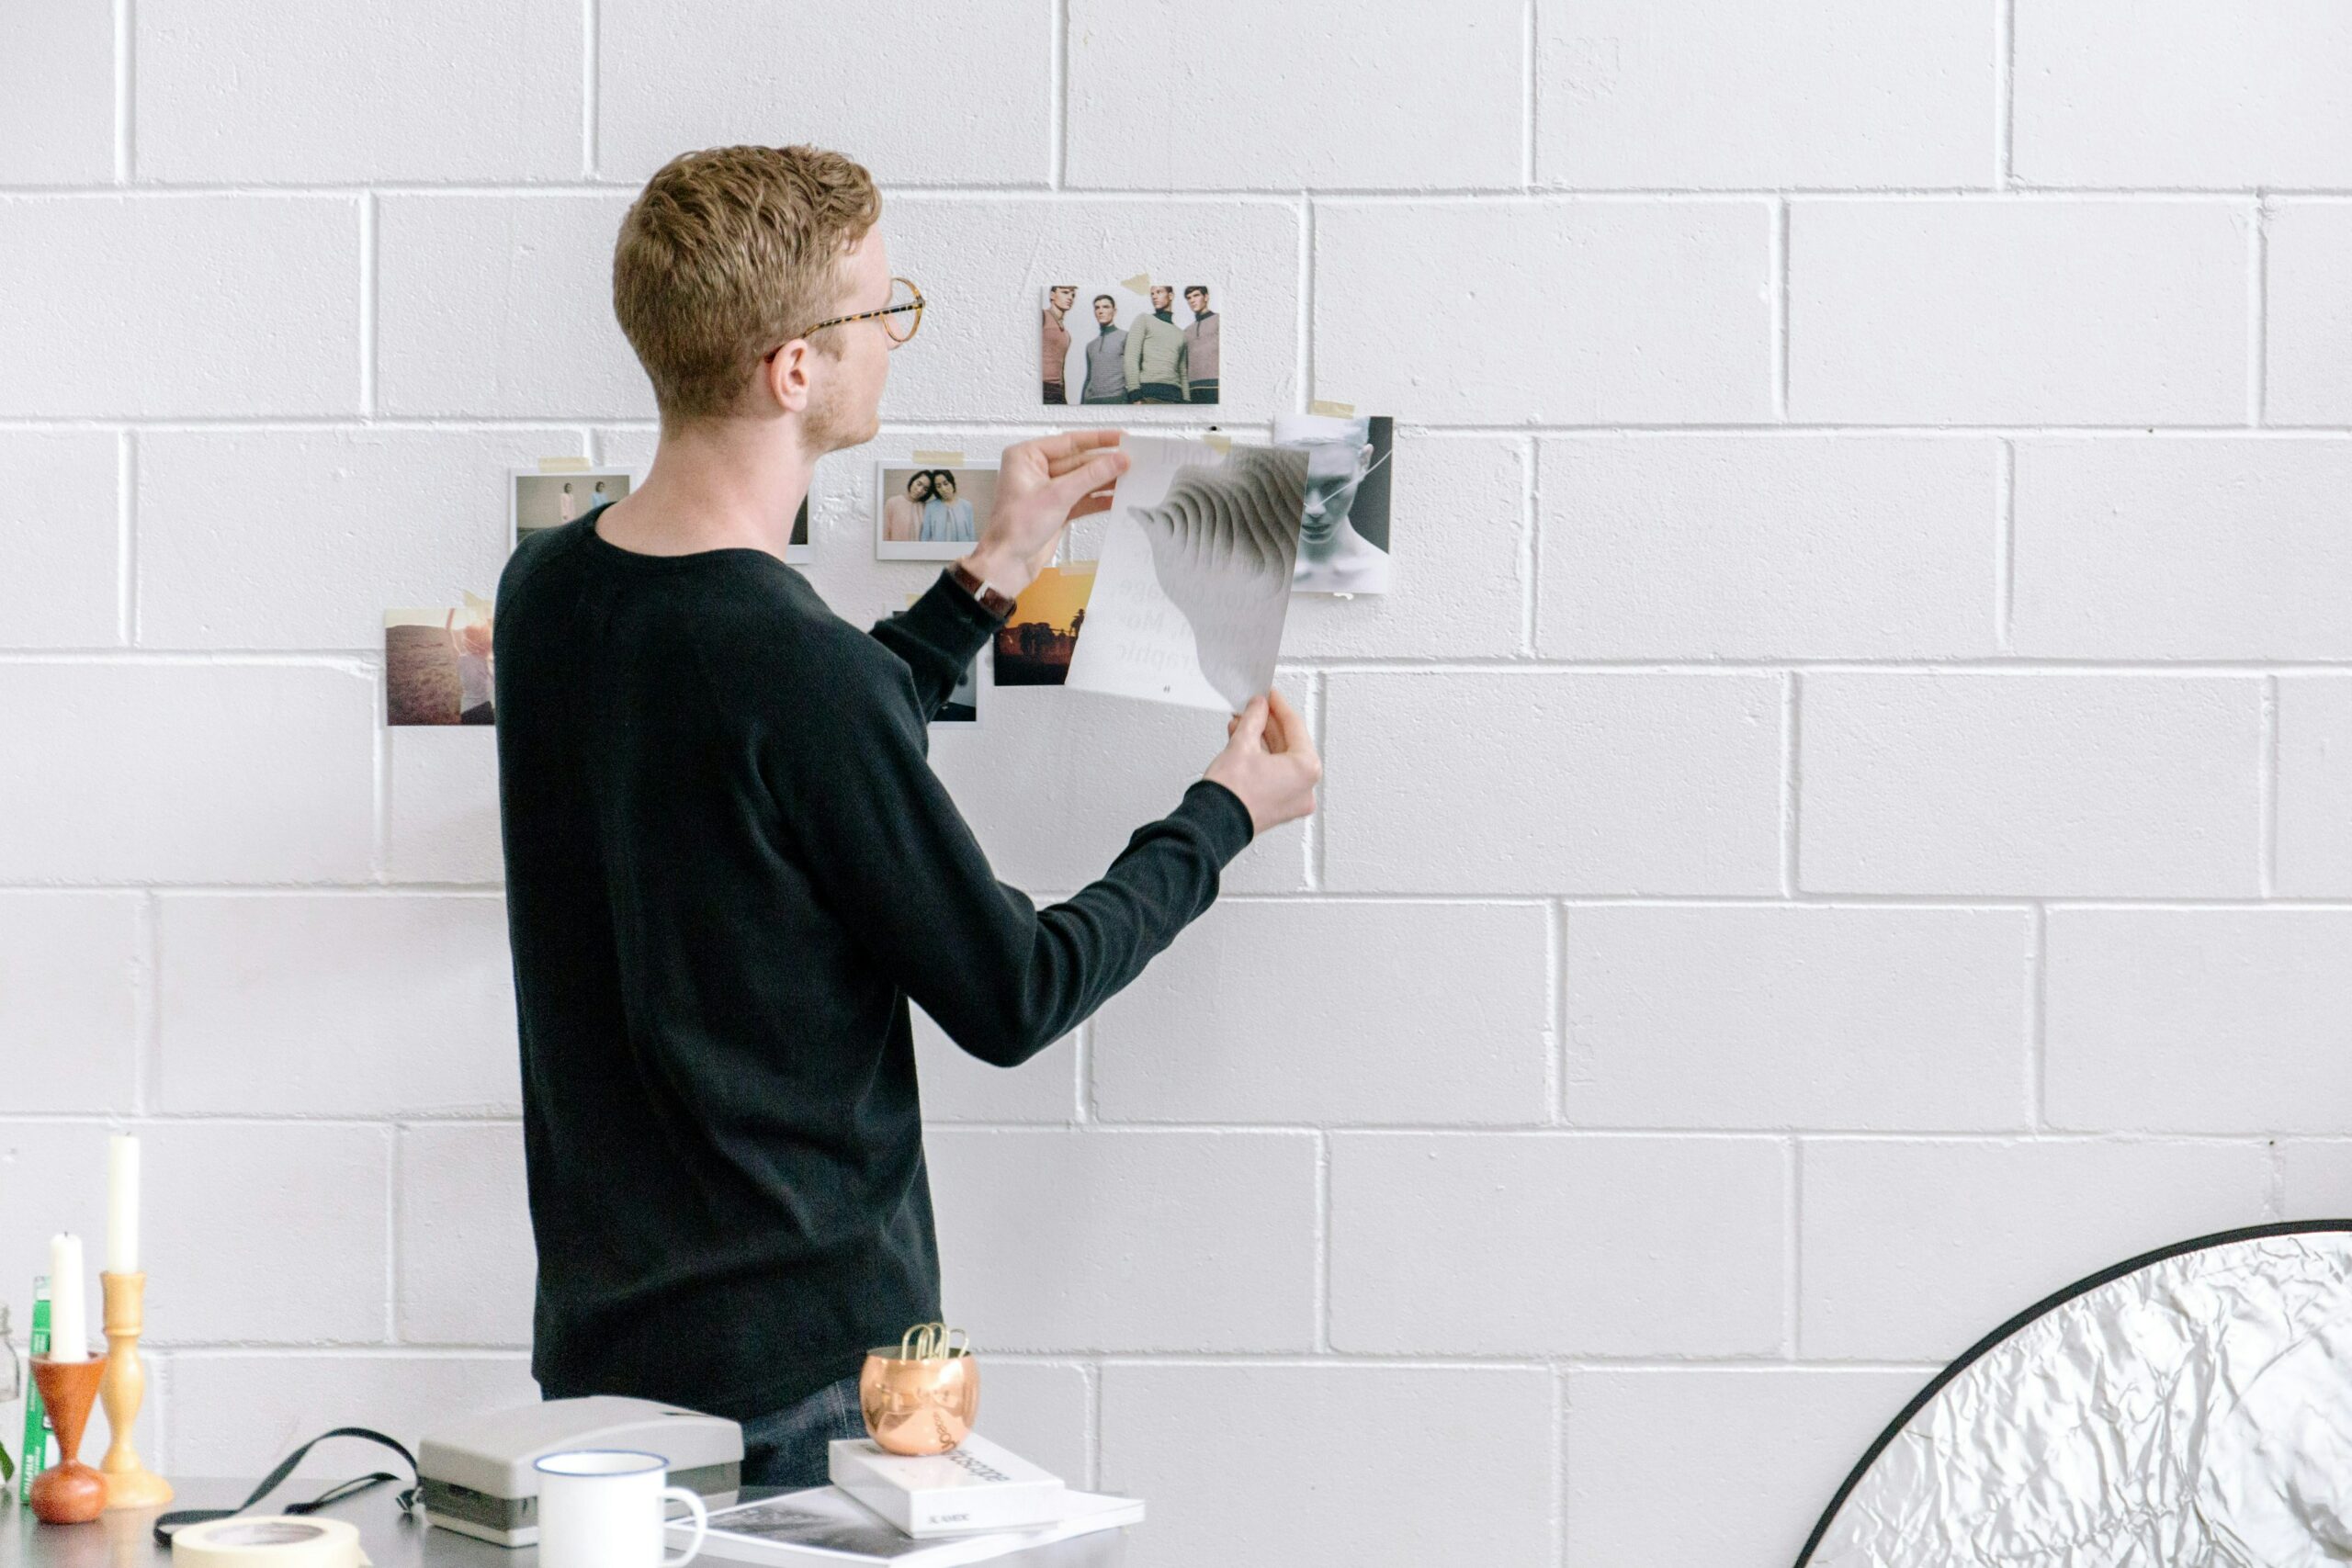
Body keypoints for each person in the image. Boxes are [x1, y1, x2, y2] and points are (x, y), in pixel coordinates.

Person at [493, 143, 1321, 1494]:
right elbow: (1013, 990)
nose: (895, 335)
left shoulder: (547, 593)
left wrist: (994, 567)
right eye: (880, 308)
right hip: (805, 1385)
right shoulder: (795, 668)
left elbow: (790, 751)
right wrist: (1223, 813)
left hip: (600, 1364)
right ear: (794, 369)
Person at [1123, 285, 1188, 403]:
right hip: (1149, 395)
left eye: (1159, 292)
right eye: (1152, 294)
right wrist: (1134, 394)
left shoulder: (1181, 334)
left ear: (1171, 295)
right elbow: (1131, 357)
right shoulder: (1144, 320)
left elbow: (1182, 371)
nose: (1154, 297)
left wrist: (1187, 400)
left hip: (1176, 398)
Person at [1080, 294, 1127, 404]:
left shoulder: (1126, 337)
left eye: (1106, 307)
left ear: (1114, 311)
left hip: (1117, 399)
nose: (1101, 311)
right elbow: (1088, 378)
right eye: (1097, 308)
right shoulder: (1091, 346)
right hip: (1092, 401)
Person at [920, 468, 978, 544]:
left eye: (946, 484)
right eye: (938, 486)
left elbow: (971, 535)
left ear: (952, 483)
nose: (943, 489)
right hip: (938, 553)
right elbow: (925, 537)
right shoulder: (930, 507)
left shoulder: (966, 506)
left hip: (962, 552)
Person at [1182, 286, 1218, 405]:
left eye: (1196, 295)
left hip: (1216, 386)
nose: (1192, 300)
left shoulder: (1220, 320)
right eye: (1189, 298)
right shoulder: (1187, 330)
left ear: (1206, 297)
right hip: (1193, 389)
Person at [1041, 286, 1074, 404]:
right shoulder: (1042, 316)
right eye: (1065, 293)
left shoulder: (1066, 334)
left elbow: (1061, 368)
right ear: (1052, 295)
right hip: (1042, 388)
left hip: (1057, 392)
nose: (1070, 298)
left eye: (1072, 295)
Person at [883, 468, 931, 542]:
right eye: (919, 484)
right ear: (913, 481)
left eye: (925, 489)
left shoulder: (926, 508)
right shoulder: (892, 502)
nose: (919, 490)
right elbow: (885, 534)